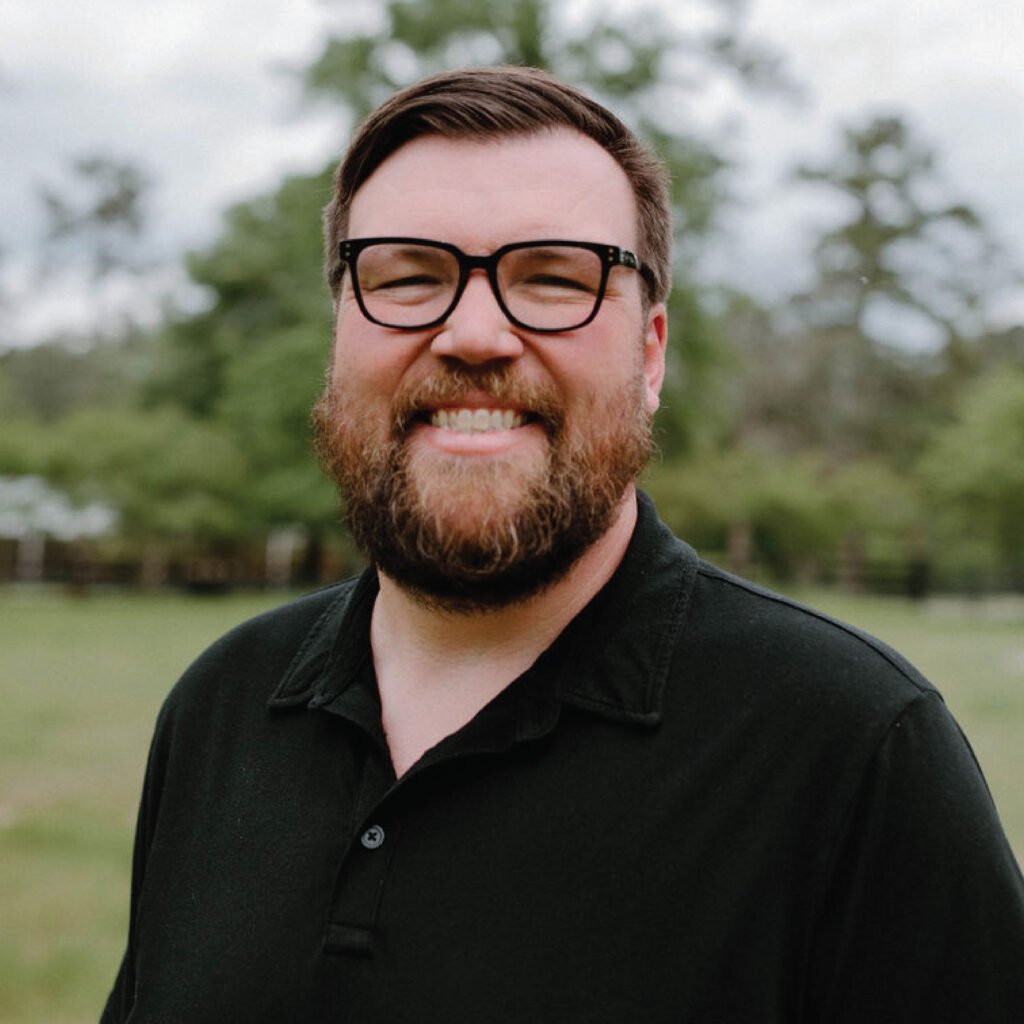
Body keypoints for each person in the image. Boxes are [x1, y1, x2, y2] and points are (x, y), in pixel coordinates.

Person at [101, 66, 1024, 1023]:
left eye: (553, 279)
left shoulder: (854, 748)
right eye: (408, 275)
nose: (473, 333)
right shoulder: (222, 706)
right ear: (340, 334)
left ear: (653, 352)